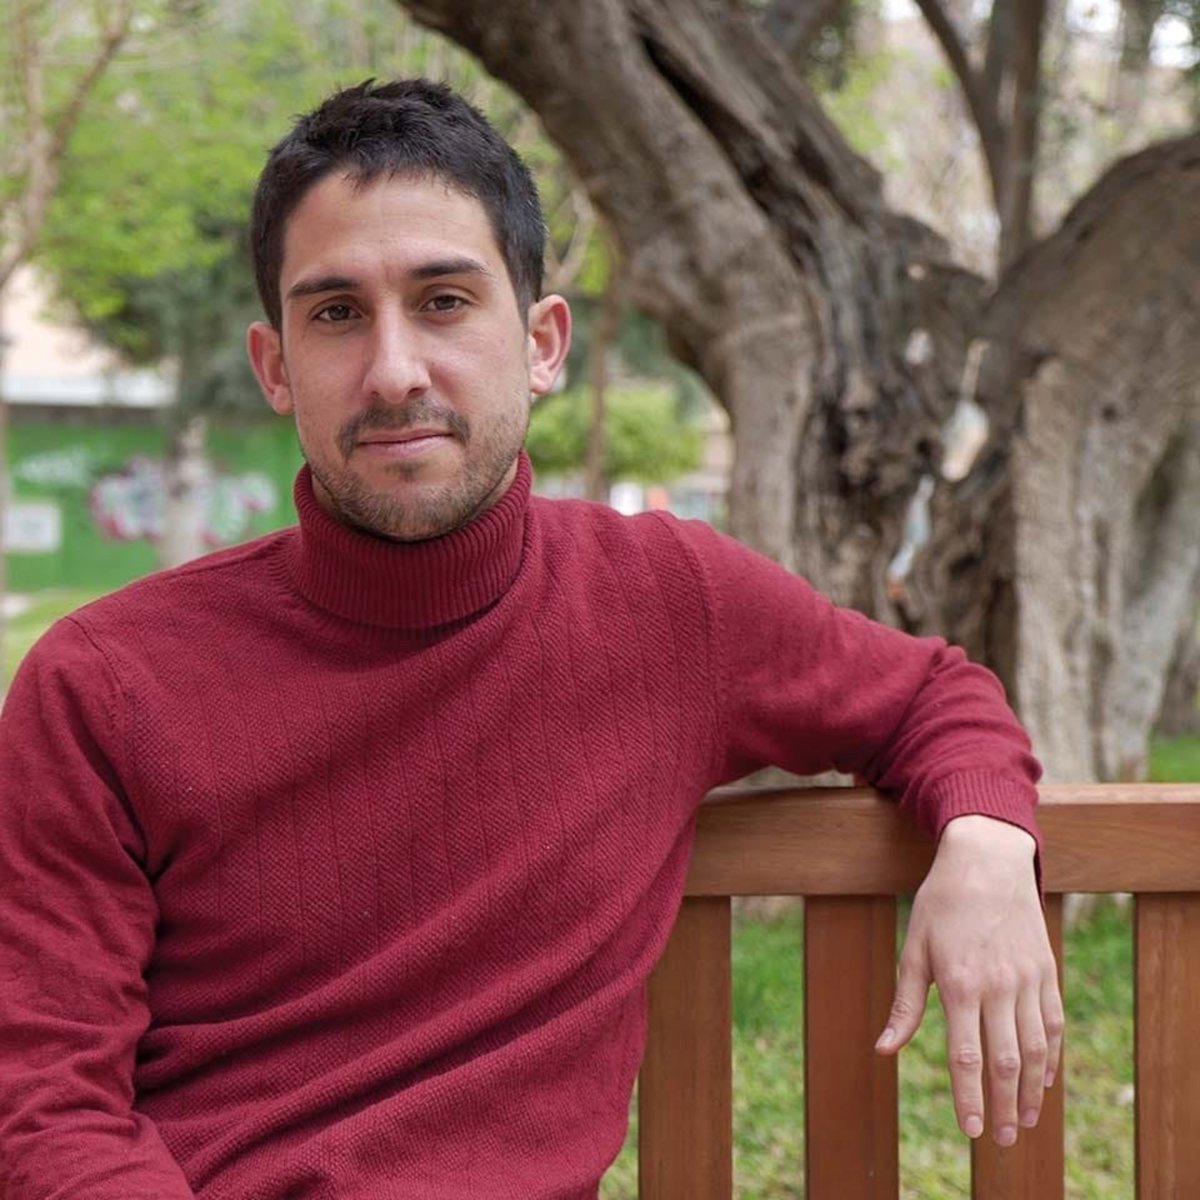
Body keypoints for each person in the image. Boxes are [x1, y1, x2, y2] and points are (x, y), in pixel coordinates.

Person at [0, 79, 1062, 1199]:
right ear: (276, 366)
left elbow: (929, 696)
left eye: (444, 301)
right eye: (337, 314)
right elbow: (45, 1105)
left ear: (543, 342)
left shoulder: (670, 607)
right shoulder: (106, 686)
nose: (395, 370)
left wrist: (989, 842)